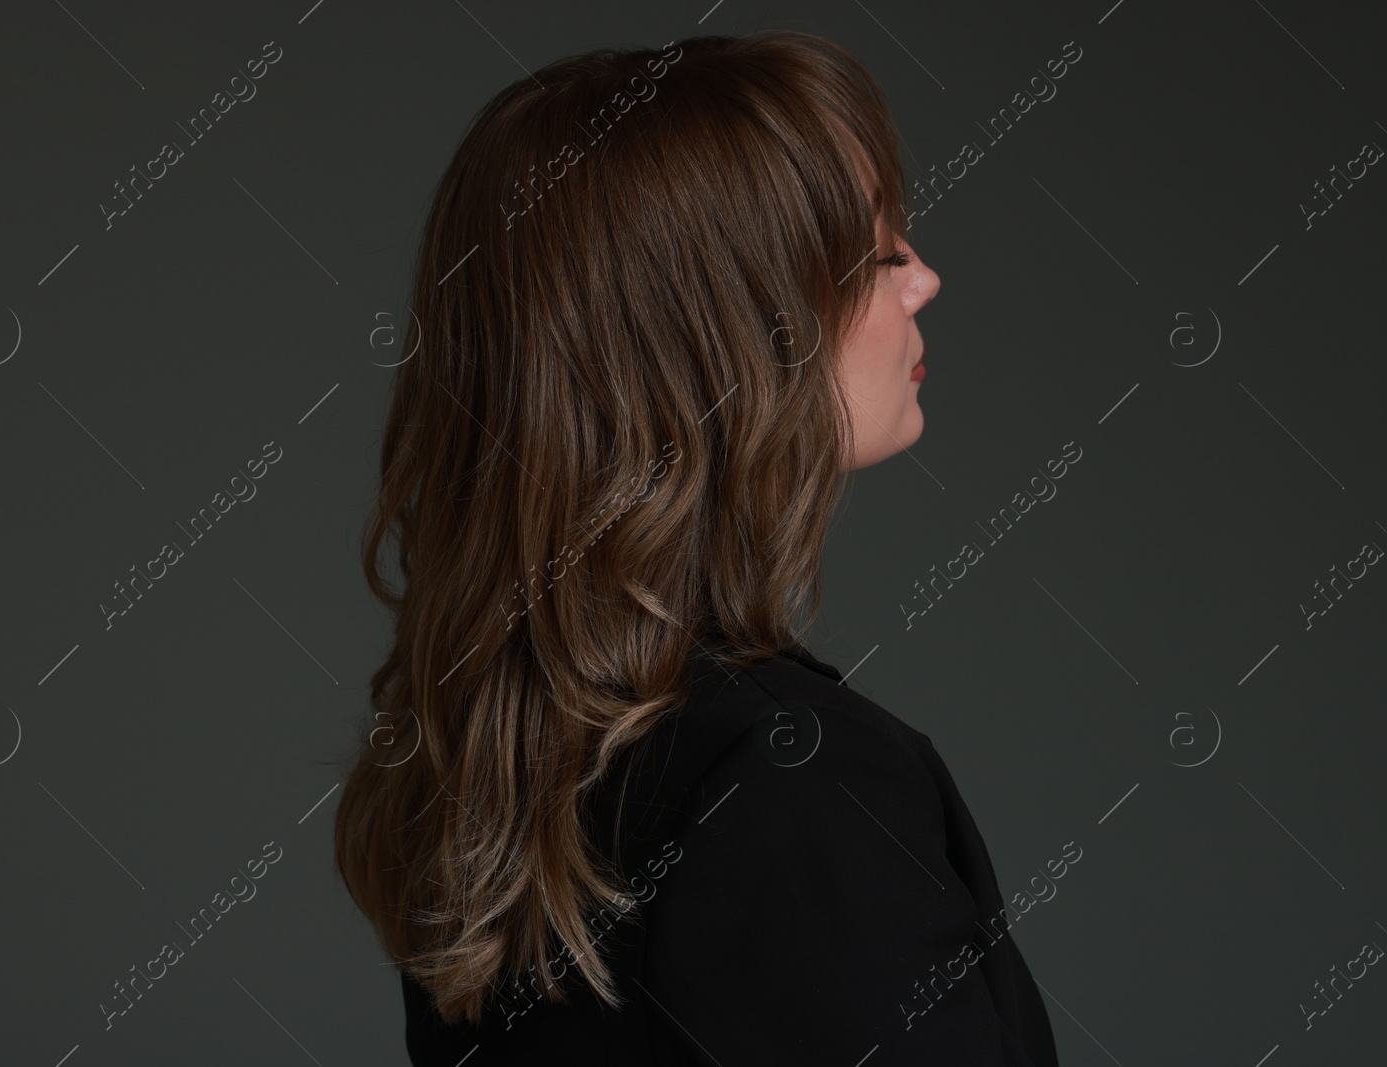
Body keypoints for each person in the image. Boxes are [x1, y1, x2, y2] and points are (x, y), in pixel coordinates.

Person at [332, 29, 1060, 1065]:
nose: (923, 279)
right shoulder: (792, 775)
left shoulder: (494, 762)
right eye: (873, 254)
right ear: (728, 333)